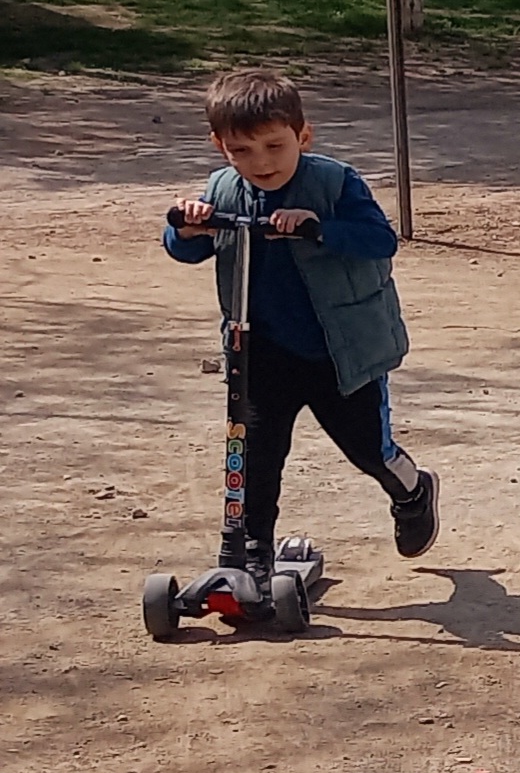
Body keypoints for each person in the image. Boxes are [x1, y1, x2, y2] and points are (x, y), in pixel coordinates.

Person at [165, 69, 439, 581]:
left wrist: (319, 228)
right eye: (242, 150)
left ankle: (412, 489)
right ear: (219, 145)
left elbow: (379, 240)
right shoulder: (223, 190)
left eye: (274, 145)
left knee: (367, 449)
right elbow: (191, 246)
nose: (261, 162)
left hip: (340, 353)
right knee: (254, 460)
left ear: (302, 136)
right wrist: (185, 227)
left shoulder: (334, 182)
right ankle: (252, 558)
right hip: (261, 354)